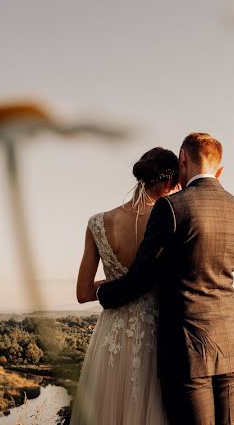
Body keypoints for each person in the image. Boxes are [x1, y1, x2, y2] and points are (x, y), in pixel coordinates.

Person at [96, 132, 234, 425]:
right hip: (231, 345)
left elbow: (141, 279)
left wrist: (104, 293)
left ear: (182, 158)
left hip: (187, 349)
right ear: (220, 169)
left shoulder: (171, 207)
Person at [71, 147, 180, 425]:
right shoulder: (172, 219)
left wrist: (116, 281)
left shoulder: (97, 223)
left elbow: (83, 294)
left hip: (112, 339)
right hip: (158, 335)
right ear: (169, 183)